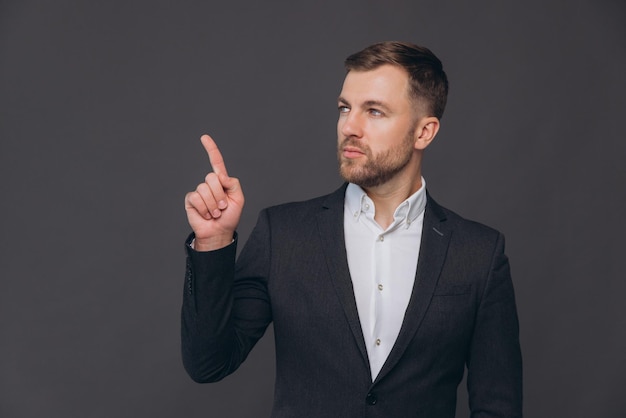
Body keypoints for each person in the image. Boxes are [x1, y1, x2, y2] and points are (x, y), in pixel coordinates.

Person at [182, 41, 522, 417]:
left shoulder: (478, 253)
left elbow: (498, 406)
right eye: (345, 108)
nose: (349, 126)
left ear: (424, 132)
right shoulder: (283, 235)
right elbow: (208, 363)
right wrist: (213, 243)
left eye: (374, 111)